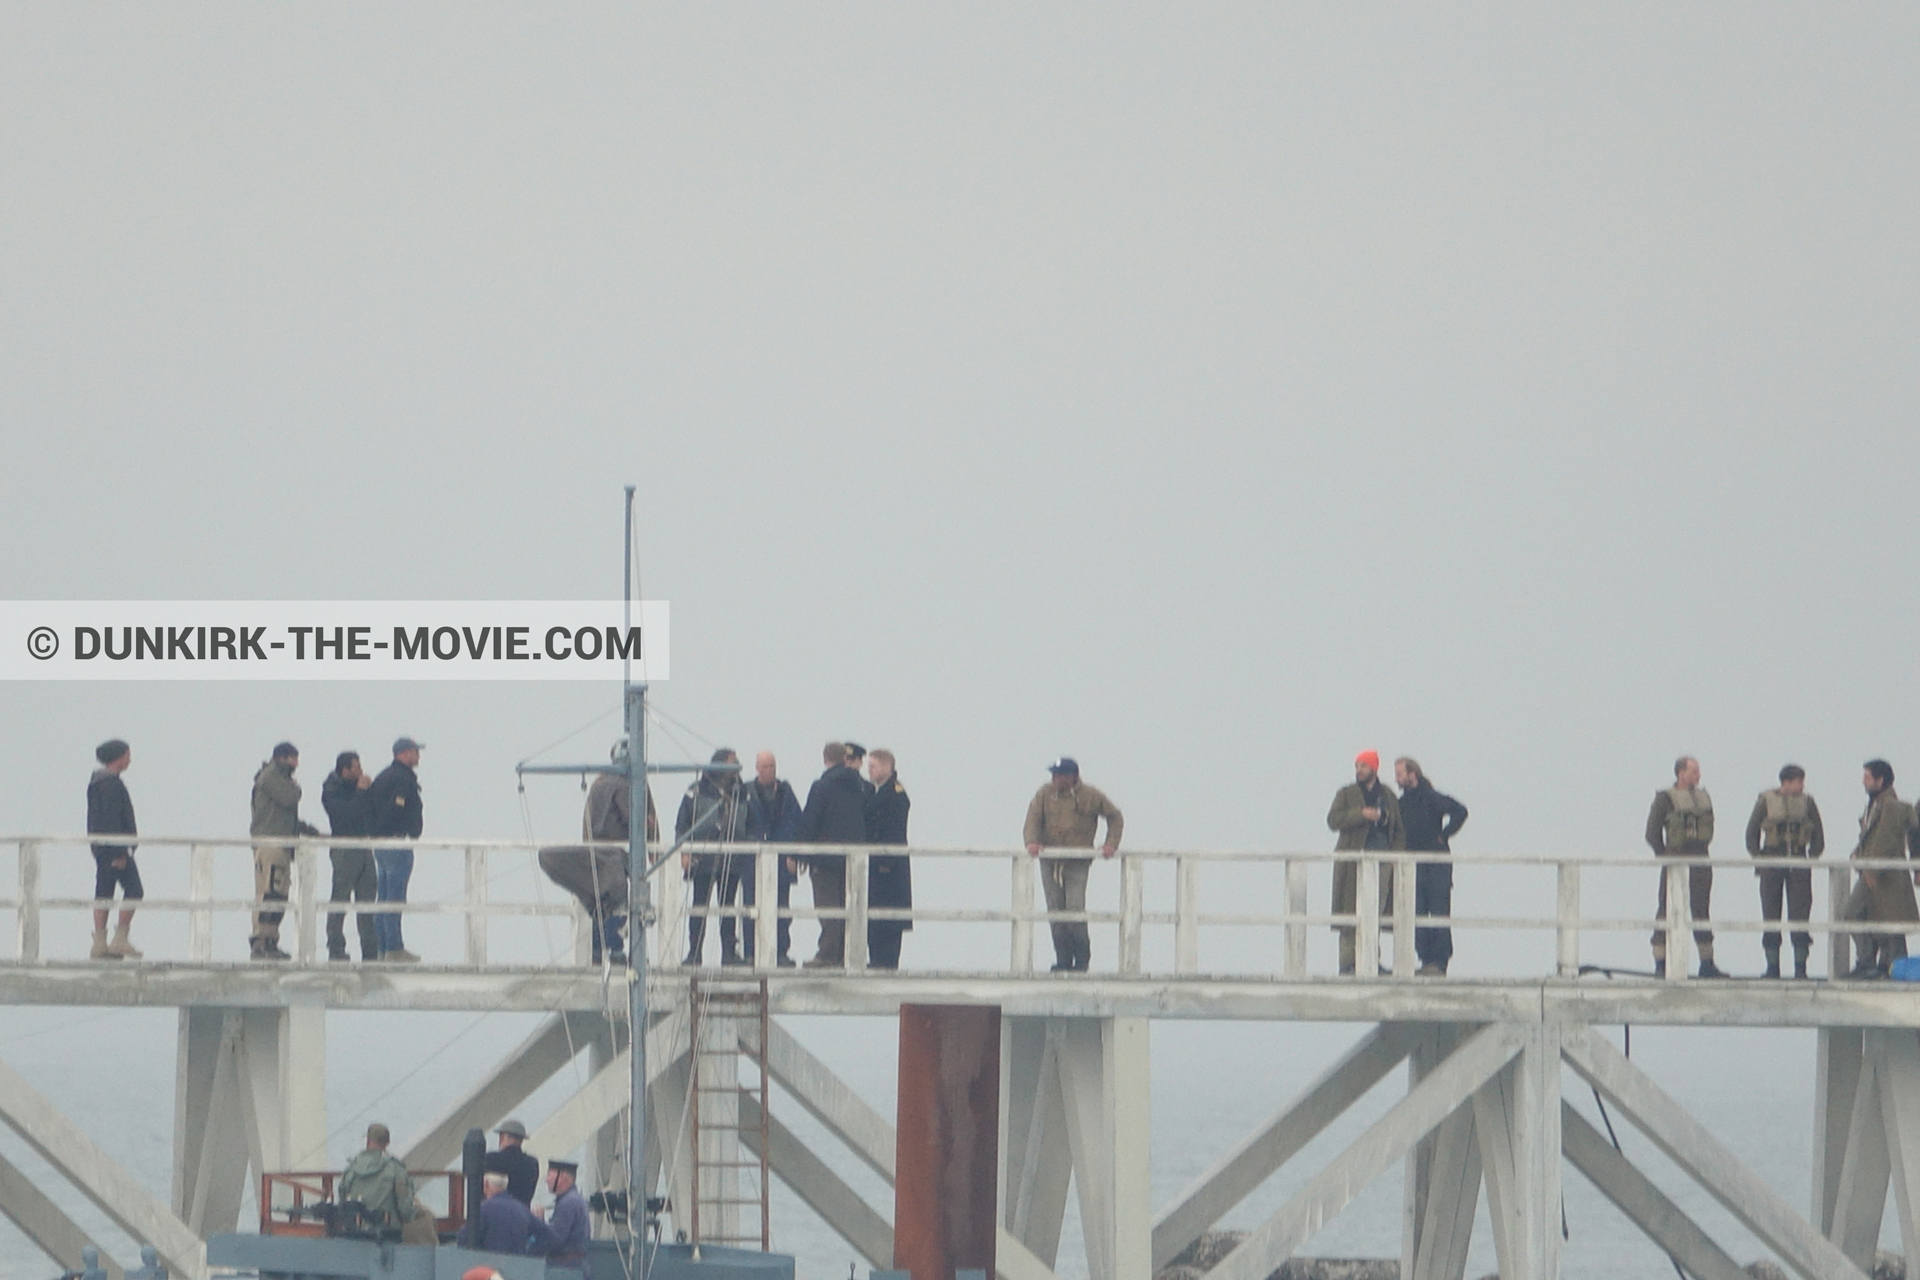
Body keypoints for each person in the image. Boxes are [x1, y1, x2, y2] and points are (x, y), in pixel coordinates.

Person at [539, 742, 657, 965]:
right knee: (617, 899)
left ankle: (597, 948)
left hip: (595, 850)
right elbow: (635, 819)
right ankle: (614, 948)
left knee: (599, 899)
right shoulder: (626, 785)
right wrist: (651, 837)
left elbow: (589, 821)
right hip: (615, 853)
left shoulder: (599, 783)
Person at [1023, 758, 1124, 973]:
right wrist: (1032, 841)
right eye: (1054, 775)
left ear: (1073, 776)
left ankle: (1082, 959)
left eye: (1061, 775)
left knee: (1074, 908)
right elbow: (1032, 819)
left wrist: (1110, 844)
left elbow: (1115, 817)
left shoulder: (1091, 795)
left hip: (1077, 862)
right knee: (1055, 911)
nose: (1056, 779)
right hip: (1050, 861)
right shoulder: (1044, 794)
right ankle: (1063, 959)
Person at [1745, 764, 1827, 979]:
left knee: (1800, 915)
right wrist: (1760, 857)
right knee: (1771, 915)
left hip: (1798, 861)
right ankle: (1772, 968)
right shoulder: (1765, 801)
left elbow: (1818, 832)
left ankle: (1801, 968)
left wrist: (1812, 856)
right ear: (1787, 782)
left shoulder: (1808, 803)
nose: (1802, 786)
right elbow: (1751, 832)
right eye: (1799, 781)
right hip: (1772, 860)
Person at [1647, 756, 1725, 978]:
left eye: (1698, 772)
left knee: (1701, 909)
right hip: (1676, 858)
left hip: (1701, 858)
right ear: (1681, 773)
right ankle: (1661, 962)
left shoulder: (1704, 798)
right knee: (1666, 909)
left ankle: (1707, 961)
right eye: (1693, 771)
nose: (1698, 776)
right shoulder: (1665, 798)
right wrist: (1664, 855)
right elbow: (1652, 832)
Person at [1327, 750, 1404, 976]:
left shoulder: (1388, 795)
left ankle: (1372, 961)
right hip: (1353, 861)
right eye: (1357, 765)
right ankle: (1348, 963)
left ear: (1374, 768)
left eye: (1364, 766)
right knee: (1350, 911)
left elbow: (1398, 830)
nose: (1359, 770)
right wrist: (1361, 814)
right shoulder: (1347, 793)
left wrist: (1395, 858)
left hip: (1381, 860)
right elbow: (1333, 820)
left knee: (1375, 912)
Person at [675, 748, 752, 966]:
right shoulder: (696, 791)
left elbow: (752, 823)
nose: (736, 765)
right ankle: (694, 953)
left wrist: (747, 846)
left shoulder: (742, 792)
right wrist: (685, 852)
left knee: (728, 908)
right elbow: (682, 824)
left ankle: (729, 953)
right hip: (703, 859)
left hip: (733, 860)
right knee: (699, 907)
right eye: (732, 761)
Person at [1394, 757, 1468, 977]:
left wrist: (1444, 836)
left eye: (1400, 773)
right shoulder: (1402, 804)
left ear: (1412, 774)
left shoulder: (1431, 798)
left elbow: (1460, 811)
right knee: (1416, 913)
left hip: (1436, 865)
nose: (1397, 778)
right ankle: (1426, 960)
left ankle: (1439, 961)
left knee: (1438, 911)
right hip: (1413, 865)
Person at [1843, 759, 1916, 979]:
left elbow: (1886, 840)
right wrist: (1858, 854)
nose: (1863, 782)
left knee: (1863, 915)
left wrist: (1870, 868)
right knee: (1874, 918)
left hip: (1881, 875)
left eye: (1867, 777)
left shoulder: (1890, 806)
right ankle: (1873, 965)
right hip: (1872, 872)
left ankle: (1878, 965)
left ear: (1880, 780)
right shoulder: (1875, 805)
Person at [249, 742, 320, 962]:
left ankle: (271, 941)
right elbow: (289, 798)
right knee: (268, 893)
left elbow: (284, 814)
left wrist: (306, 830)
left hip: (281, 845)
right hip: (270, 844)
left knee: (279, 894)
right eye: (293, 759)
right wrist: (295, 788)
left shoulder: (277, 778)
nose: (296, 764)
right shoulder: (270, 777)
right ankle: (260, 942)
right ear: (282, 758)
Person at [800, 743, 868, 968]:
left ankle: (828, 954)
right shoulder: (860, 787)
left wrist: (798, 853)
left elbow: (810, 821)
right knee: (848, 906)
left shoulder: (822, 787)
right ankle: (846, 954)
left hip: (825, 858)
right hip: (852, 859)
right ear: (845, 758)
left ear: (825, 758)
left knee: (828, 906)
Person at [744, 750, 804, 966]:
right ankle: (751, 952)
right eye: (765, 766)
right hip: (753, 861)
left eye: (772, 766)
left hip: (781, 861)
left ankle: (780, 952)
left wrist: (793, 854)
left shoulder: (786, 794)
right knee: (751, 906)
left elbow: (798, 823)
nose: (769, 770)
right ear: (757, 768)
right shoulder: (746, 792)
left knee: (781, 909)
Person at [85, 739, 142, 961]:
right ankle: (118, 940)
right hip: (114, 849)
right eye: (128, 755)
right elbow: (111, 819)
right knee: (134, 890)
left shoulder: (98, 783)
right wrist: (120, 851)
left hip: (102, 849)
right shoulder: (111, 785)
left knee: (104, 891)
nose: (130, 759)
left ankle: (100, 943)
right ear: (118, 757)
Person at [369, 738, 425, 963]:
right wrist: (402, 830)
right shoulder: (402, 779)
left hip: (381, 845)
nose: (418, 757)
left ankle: (384, 947)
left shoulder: (383, 777)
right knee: (394, 896)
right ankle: (393, 948)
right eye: (415, 752)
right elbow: (397, 808)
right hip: (395, 843)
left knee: (383, 896)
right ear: (404, 753)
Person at [322, 752, 380, 963]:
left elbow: (371, 813)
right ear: (345, 770)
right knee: (340, 898)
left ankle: (371, 952)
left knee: (367, 900)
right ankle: (336, 949)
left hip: (364, 847)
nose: (361, 771)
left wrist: (369, 792)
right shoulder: (332, 790)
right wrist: (360, 792)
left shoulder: (359, 790)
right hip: (344, 849)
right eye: (356, 768)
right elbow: (345, 817)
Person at [865, 748, 912, 970]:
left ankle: (886, 963)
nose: (869, 770)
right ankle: (876, 961)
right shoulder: (875, 792)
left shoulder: (895, 794)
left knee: (889, 921)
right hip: (875, 866)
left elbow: (895, 830)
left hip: (889, 869)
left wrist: (886, 861)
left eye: (873, 766)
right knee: (874, 918)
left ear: (886, 767)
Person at [338, 1123, 416, 1238]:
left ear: (368, 1141)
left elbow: (342, 1199)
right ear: (387, 1143)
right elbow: (405, 1210)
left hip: (354, 1235)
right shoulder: (396, 1169)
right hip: (387, 1235)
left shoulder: (351, 1169)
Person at [459, 1171, 554, 1255]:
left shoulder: (485, 1208)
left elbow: (464, 1238)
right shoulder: (521, 1208)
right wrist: (530, 1255)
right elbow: (548, 1236)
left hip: (490, 1266)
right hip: (517, 1266)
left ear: (486, 1184)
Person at [534, 1158, 591, 1272]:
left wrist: (539, 1223)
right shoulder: (574, 1200)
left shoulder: (568, 1203)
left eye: (549, 1174)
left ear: (562, 1176)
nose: (546, 1180)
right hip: (574, 1266)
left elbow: (555, 1241)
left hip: (566, 1268)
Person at [485, 1119, 540, 1206]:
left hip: (495, 1212)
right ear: (521, 1140)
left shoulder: (490, 1159)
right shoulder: (532, 1163)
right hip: (522, 1214)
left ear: (502, 1137)